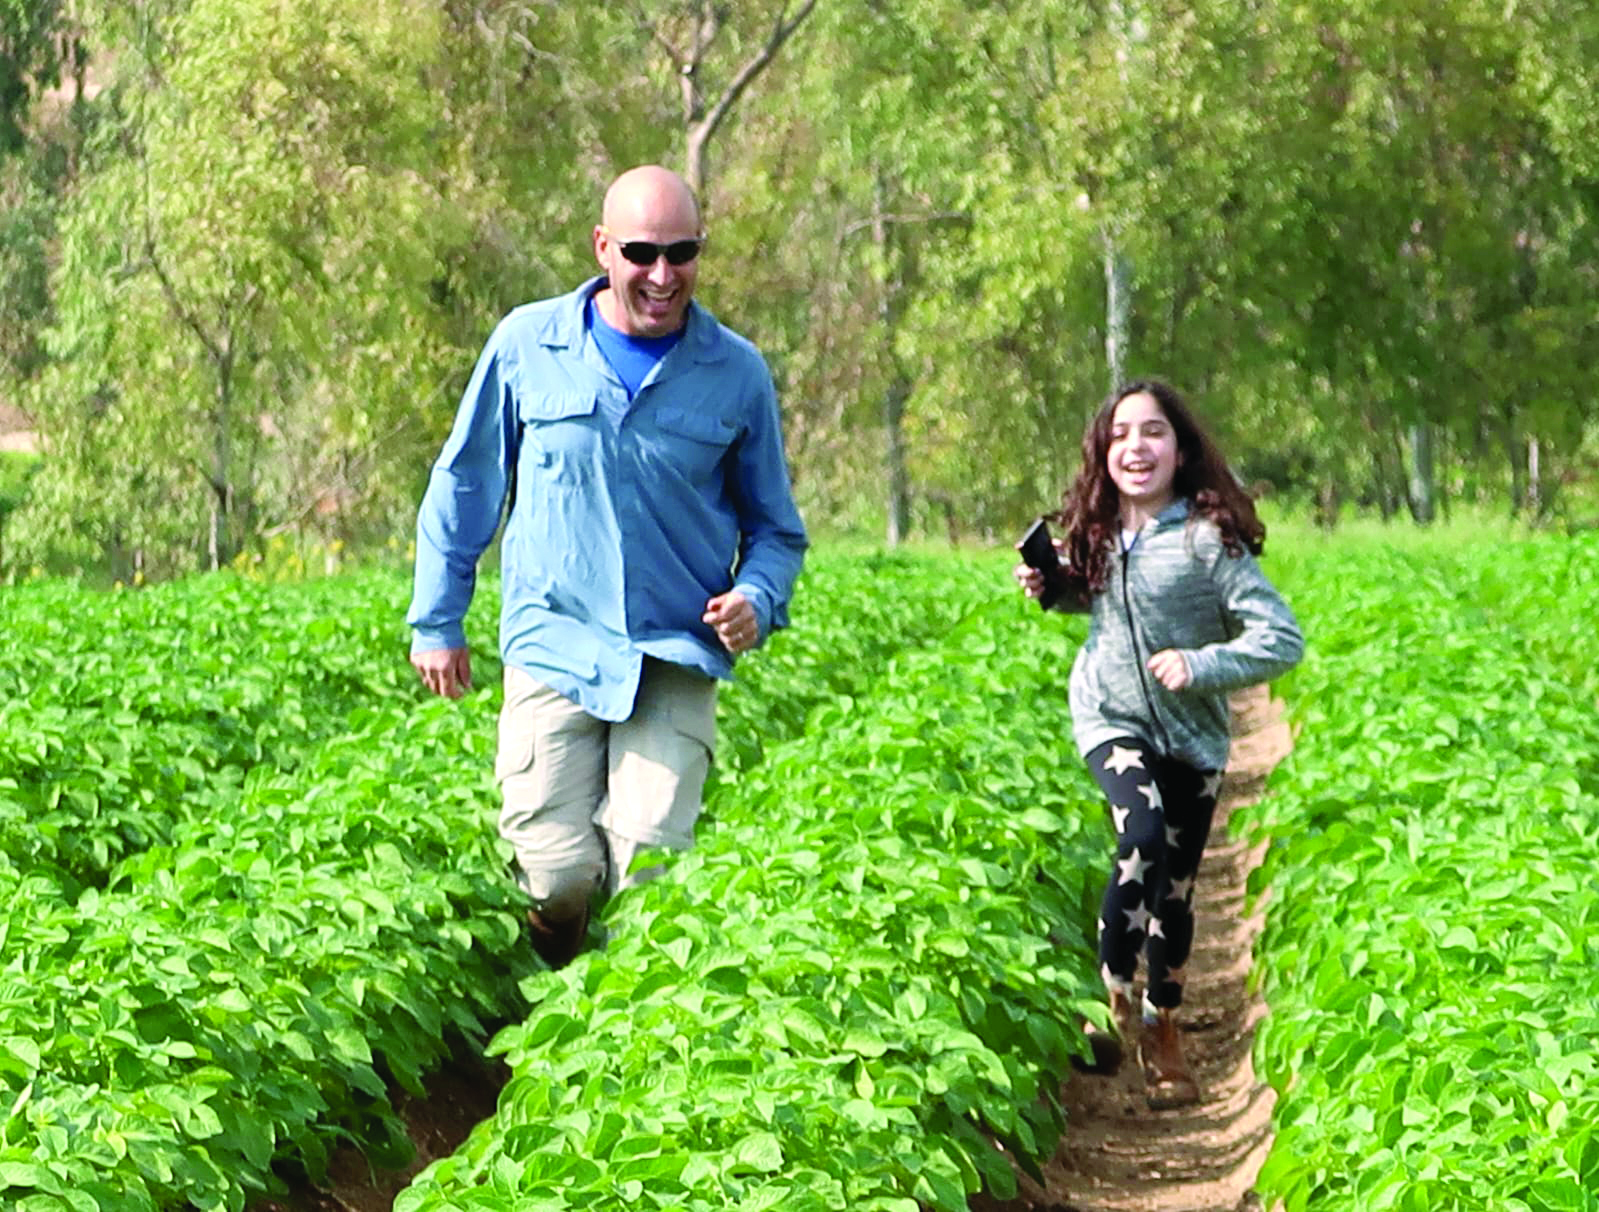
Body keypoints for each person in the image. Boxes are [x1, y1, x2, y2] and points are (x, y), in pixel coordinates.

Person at [407, 165, 808, 969]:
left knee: (652, 872)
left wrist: (756, 598)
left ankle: (628, 1050)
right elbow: (466, 480)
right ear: (602, 247)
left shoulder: (735, 372)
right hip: (555, 641)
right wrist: (438, 618)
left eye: (681, 252)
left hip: (673, 649)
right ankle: (562, 977)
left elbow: (776, 529)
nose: (662, 275)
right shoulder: (528, 345)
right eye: (641, 252)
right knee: (553, 876)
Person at [1014, 379, 1302, 1110]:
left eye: (1151, 433)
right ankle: (1110, 997)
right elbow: (1098, 600)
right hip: (1108, 718)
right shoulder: (1097, 532)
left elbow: (1280, 637)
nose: (1134, 448)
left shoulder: (1209, 543)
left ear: (1180, 449)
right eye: (1119, 436)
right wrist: (1051, 584)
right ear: (1101, 452)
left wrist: (1200, 665)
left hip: (1193, 740)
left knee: (1173, 894)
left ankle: (1161, 1026)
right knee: (1138, 834)